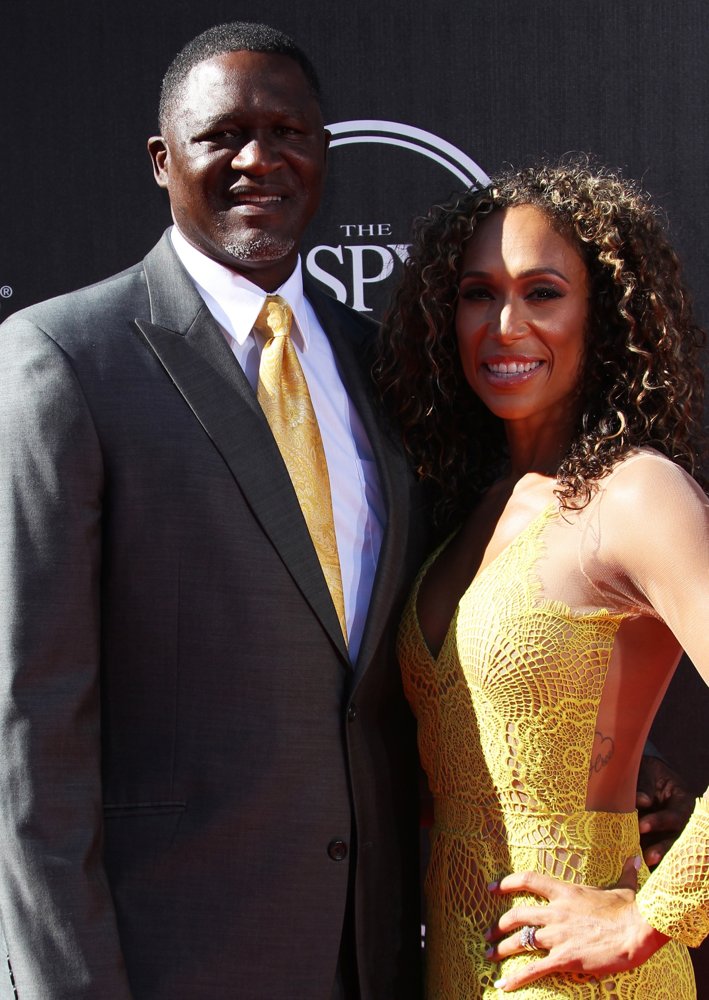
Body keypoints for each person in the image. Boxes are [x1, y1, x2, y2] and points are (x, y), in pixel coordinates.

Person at [0, 22, 430, 1000]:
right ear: (163, 160)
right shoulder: (65, 359)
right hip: (170, 963)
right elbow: (31, 725)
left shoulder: (385, 366)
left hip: (374, 957)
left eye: (287, 132)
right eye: (222, 135)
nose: (258, 160)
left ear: (323, 151)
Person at [376, 159, 709, 997]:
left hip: (584, 978)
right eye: (478, 294)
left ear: (606, 314)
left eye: (542, 293)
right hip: (451, 968)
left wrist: (654, 915)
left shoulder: (638, 494)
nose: (505, 325)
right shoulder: (467, 509)